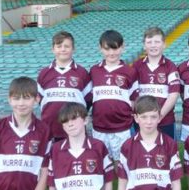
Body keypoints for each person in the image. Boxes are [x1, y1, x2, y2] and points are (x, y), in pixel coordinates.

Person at [89, 30, 137, 161]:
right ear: (100, 48)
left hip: (123, 127)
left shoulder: (130, 71)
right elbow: (90, 98)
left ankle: (122, 182)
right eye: (107, 48)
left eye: (115, 48)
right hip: (99, 127)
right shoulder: (94, 71)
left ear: (122, 47)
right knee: (102, 162)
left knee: (123, 163)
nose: (111, 53)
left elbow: (134, 99)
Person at [37, 31, 92, 141]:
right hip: (50, 130)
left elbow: (88, 101)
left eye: (67, 46)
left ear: (73, 49)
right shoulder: (44, 73)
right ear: (53, 49)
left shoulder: (82, 73)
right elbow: (40, 100)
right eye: (59, 46)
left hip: (75, 131)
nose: (63, 49)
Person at [132, 27, 180, 139]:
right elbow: (132, 94)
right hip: (142, 121)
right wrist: (141, 117)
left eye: (157, 42)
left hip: (165, 120)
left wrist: (159, 116)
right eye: (149, 42)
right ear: (144, 45)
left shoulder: (170, 66)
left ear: (164, 44)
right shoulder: (136, 66)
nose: (153, 45)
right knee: (142, 153)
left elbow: (174, 94)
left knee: (166, 153)